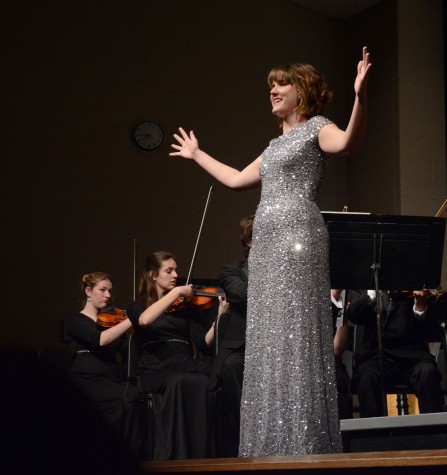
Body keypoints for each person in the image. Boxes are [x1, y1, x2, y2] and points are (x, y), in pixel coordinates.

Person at [170, 47, 371, 456]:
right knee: (270, 339)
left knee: (298, 336)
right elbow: (236, 179)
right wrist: (197, 155)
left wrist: (360, 96)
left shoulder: (318, 127)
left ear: (303, 90)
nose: (273, 91)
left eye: (281, 84)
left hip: (299, 240)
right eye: (271, 86)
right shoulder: (274, 145)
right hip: (267, 247)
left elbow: (349, 142)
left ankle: (304, 443)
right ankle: (270, 444)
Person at [125, 250, 228, 460]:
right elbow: (144, 320)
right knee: (182, 382)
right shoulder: (137, 306)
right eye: (169, 270)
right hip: (156, 370)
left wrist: (219, 317)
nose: (175, 275)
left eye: (176, 270)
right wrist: (176, 293)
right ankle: (177, 453)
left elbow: (203, 343)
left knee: (212, 378)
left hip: (184, 365)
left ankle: (201, 453)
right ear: (153, 275)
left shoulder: (184, 310)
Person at [63, 272, 147, 459]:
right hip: (86, 381)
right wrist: (130, 320)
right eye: (102, 290)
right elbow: (99, 340)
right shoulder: (76, 321)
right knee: (129, 398)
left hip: (111, 380)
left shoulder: (111, 322)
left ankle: (130, 455)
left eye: (110, 291)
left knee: (137, 396)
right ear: (88, 291)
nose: (108, 295)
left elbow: (128, 354)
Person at [345, 289, 445, 418]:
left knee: (428, 371)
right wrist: (373, 293)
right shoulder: (363, 286)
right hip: (377, 356)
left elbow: (432, 328)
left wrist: (420, 306)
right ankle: (372, 436)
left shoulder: (415, 282)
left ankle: (434, 434)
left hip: (413, 356)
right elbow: (353, 315)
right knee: (368, 376)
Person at [210, 214, 253, 457]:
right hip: (241, 348)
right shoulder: (231, 271)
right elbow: (242, 295)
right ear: (249, 242)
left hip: (277, 347)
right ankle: (239, 446)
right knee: (233, 368)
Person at [331, 289, 353, 419]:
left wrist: (339, 305)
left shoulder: (341, 298)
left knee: (338, 378)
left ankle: (344, 438)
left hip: (332, 362)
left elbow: (337, 350)